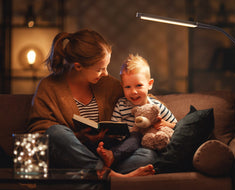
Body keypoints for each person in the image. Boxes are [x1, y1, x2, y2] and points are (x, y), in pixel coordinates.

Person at [26, 29, 155, 177]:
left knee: (147, 155)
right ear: (78, 66)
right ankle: (111, 176)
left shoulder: (109, 85)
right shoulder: (49, 87)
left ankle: (91, 176)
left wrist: (157, 119)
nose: (106, 73)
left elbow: (142, 101)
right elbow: (39, 134)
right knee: (55, 133)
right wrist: (79, 136)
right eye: (100, 69)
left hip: (105, 154)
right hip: (72, 156)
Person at [98, 54, 177, 171]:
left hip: (140, 149)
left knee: (148, 155)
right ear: (122, 87)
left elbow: (178, 126)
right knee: (103, 143)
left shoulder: (156, 107)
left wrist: (165, 124)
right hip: (120, 145)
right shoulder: (121, 104)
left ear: (149, 84)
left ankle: (106, 166)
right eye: (128, 87)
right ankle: (108, 159)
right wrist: (112, 134)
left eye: (139, 86)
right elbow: (114, 127)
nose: (133, 92)